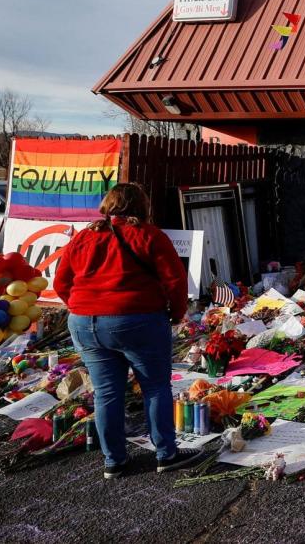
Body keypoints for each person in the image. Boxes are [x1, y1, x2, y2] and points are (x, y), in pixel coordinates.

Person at [53, 183, 196, 479]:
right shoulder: (149, 235)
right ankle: (166, 454)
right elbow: (175, 280)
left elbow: (61, 282)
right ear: (141, 206)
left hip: (84, 322)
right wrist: (176, 313)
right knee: (155, 387)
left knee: (106, 393)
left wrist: (81, 307)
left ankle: (114, 461)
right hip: (137, 319)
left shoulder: (84, 237)